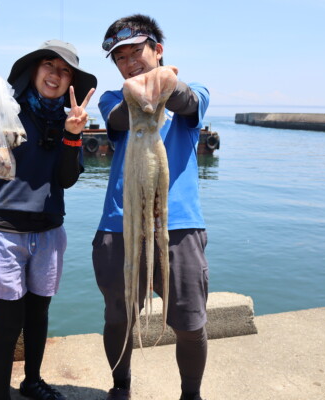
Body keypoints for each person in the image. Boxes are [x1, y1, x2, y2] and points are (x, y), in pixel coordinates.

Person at [92, 14, 210, 400]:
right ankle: (120, 387)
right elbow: (120, 118)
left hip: (179, 227)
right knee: (118, 317)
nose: (128, 61)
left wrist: (168, 84)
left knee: (190, 322)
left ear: (157, 50)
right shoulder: (113, 99)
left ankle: (190, 395)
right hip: (118, 226)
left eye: (136, 51)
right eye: (119, 57)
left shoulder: (192, 97)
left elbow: (188, 101)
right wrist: (142, 92)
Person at [0, 39, 96, 400]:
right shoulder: (7, 109)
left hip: (48, 232)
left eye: (64, 70)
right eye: (49, 65)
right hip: (1, 232)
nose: (55, 75)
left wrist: (73, 135)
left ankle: (32, 381)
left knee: (38, 316)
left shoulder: (69, 120)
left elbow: (67, 179)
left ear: (71, 81)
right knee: (8, 324)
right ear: (33, 70)